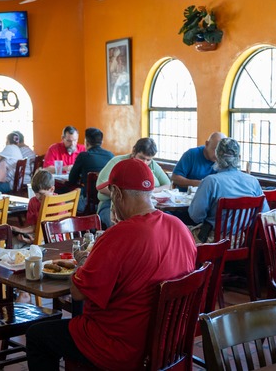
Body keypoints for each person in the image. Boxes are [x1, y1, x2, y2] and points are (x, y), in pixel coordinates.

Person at [25, 158, 197, 370]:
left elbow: (78, 293)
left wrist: (83, 264)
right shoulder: (180, 228)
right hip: (166, 342)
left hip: (117, 345)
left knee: (37, 336)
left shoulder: (119, 235)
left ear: (116, 193)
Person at [188, 137, 269, 243]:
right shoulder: (253, 182)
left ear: (217, 157)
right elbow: (264, 213)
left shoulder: (211, 181)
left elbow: (196, 216)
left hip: (213, 242)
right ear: (239, 157)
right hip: (241, 241)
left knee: (179, 233)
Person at [97, 138, 171, 229]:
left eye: (148, 159)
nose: (144, 162)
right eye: (141, 158)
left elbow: (167, 184)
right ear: (134, 152)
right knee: (122, 227)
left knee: (161, 224)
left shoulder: (152, 165)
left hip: (147, 206)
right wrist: (130, 195)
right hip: (111, 204)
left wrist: (152, 190)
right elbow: (100, 186)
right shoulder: (118, 162)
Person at [67, 127, 114, 211]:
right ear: (101, 142)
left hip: (88, 203)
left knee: (64, 202)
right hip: (106, 201)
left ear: (86, 142)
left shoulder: (83, 156)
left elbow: (71, 180)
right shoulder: (110, 156)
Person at [11, 169, 55, 246]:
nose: (38, 197)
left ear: (52, 189)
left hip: (54, 236)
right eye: (35, 193)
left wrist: (36, 240)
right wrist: (21, 231)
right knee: (14, 242)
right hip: (37, 235)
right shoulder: (33, 201)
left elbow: (58, 229)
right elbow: (32, 226)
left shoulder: (58, 203)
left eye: (41, 193)